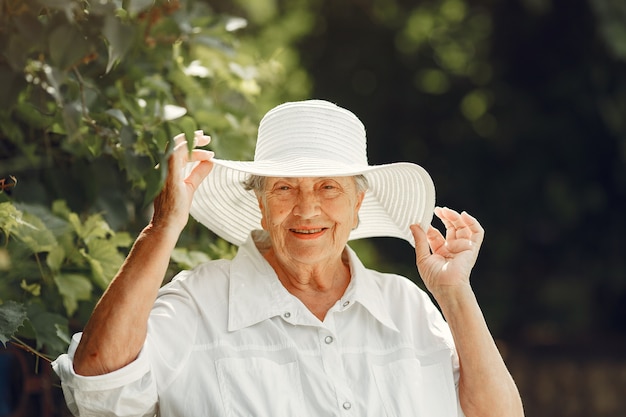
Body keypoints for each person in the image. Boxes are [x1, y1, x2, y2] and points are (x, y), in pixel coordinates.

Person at [52, 100, 524, 416]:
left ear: (358, 205)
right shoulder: (198, 303)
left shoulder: (408, 306)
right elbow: (98, 391)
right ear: (259, 202)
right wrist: (163, 229)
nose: (306, 209)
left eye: (328, 187)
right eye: (284, 188)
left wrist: (454, 293)